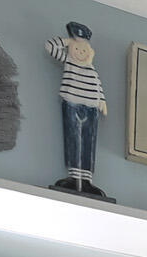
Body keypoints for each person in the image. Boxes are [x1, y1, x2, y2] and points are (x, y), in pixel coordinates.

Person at [46, 22, 113, 201]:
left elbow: (98, 86)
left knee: (88, 142)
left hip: (91, 108)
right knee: (73, 138)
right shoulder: (68, 61)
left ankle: (87, 180)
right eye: (77, 48)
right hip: (72, 104)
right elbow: (50, 46)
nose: (80, 53)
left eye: (84, 50)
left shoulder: (92, 70)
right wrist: (69, 41)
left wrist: (102, 101)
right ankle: (74, 177)